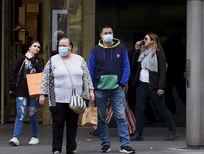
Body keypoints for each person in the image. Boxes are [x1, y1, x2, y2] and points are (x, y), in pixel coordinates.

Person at [39, 37, 94, 154]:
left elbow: (86, 76)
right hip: (57, 98)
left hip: (75, 98)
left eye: (64, 45)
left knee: (72, 124)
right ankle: (56, 148)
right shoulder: (53, 60)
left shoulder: (79, 59)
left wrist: (91, 91)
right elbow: (45, 77)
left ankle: (71, 148)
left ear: (70, 47)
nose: (61, 48)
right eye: (60, 45)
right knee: (57, 124)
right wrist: (42, 94)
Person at [88, 26, 135, 154]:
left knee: (121, 117)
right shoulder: (95, 51)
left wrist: (122, 83)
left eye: (110, 33)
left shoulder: (121, 48)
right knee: (101, 119)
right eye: (106, 33)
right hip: (100, 90)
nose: (108, 34)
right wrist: (92, 87)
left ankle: (125, 145)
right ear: (101, 35)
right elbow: (90, 70)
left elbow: (126, 66)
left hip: (117, 89)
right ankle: (105, 144)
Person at [130, 33, 178, 141]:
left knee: (161, 108)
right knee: (140, 109)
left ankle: (173, 131)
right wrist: (137, 49)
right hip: (142, 84)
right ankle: (138, 133)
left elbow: (162, 71)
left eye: (146, 39)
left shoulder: (159, 53)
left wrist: (161, 87)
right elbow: (133, 62)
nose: (144, 40)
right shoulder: (143, 52)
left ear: (152, 41)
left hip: (154, 85)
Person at [8, 40, 45, 146]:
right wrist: (12, 86)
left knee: (33, 114)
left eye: (38, 47)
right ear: (29, 47)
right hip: (21, 90)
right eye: (34, 46)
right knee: (20, 114)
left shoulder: (40, 60)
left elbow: (41, 71)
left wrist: (32, 59)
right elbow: (12, 71)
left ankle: (35, 137)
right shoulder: (21, 58)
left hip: (34, 90)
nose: (37, 48)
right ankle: (15, 137)